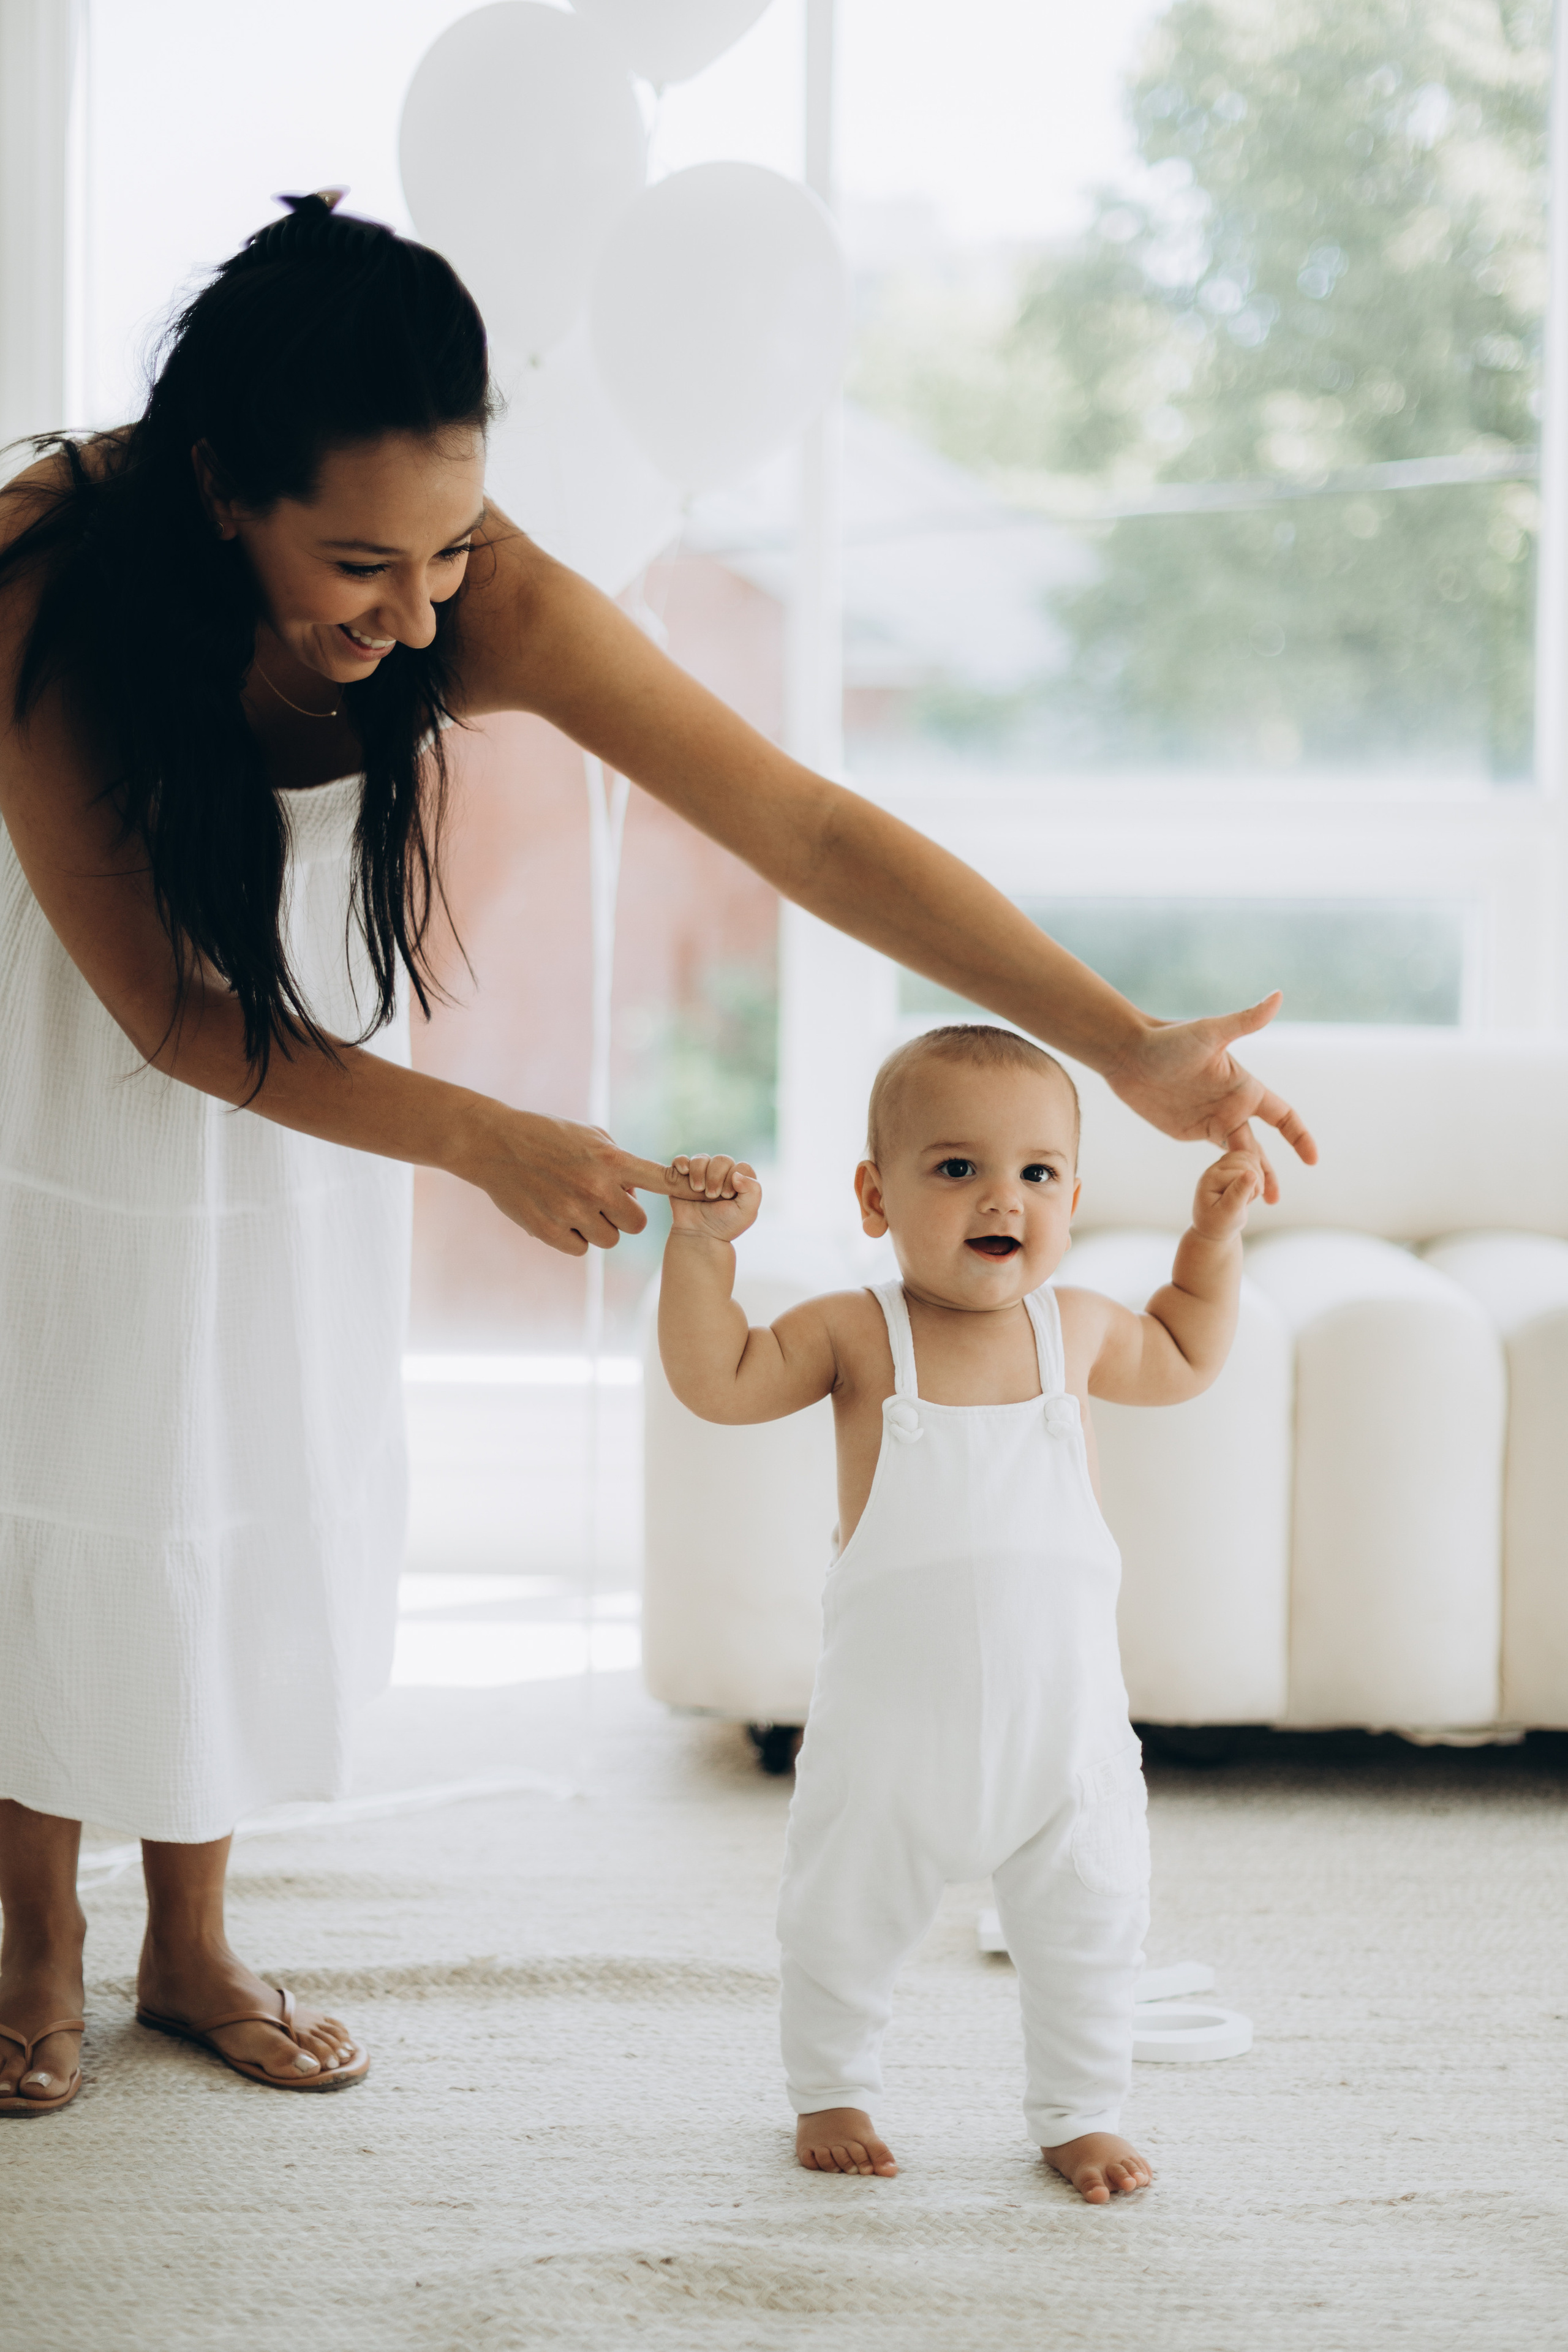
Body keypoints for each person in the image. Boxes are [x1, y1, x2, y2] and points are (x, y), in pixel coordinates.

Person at [0, 192, 1310, 2118]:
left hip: (322, 1096)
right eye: (363, 563)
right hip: (64, 1057)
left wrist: (1123, 1042)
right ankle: (36, 1929)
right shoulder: (43, 583)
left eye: (450, 549)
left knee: (245, 1451)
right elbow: (176, 1024)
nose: (425, 613)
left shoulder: (485, 594)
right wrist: (485, 1140)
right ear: (217, 489)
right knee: (70, 1453)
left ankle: (191, 1937)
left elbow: (808, 829)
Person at [655, 1024, 1265, 2200]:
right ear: (876, 1198)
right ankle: (832, 2083)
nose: (1004, 1198)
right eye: (956, 1169)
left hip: (1065, 1742)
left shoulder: (1077, 1328)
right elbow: (717, 1381)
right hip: (890, 1744)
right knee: (839, 1918)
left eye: (1037, 1174)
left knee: (1094, 1925)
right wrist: (699, 1253)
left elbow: (1187, 1352)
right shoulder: (853, 1331)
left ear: (1073, 1197)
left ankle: (1079, 2111)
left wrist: (1212, 1242)